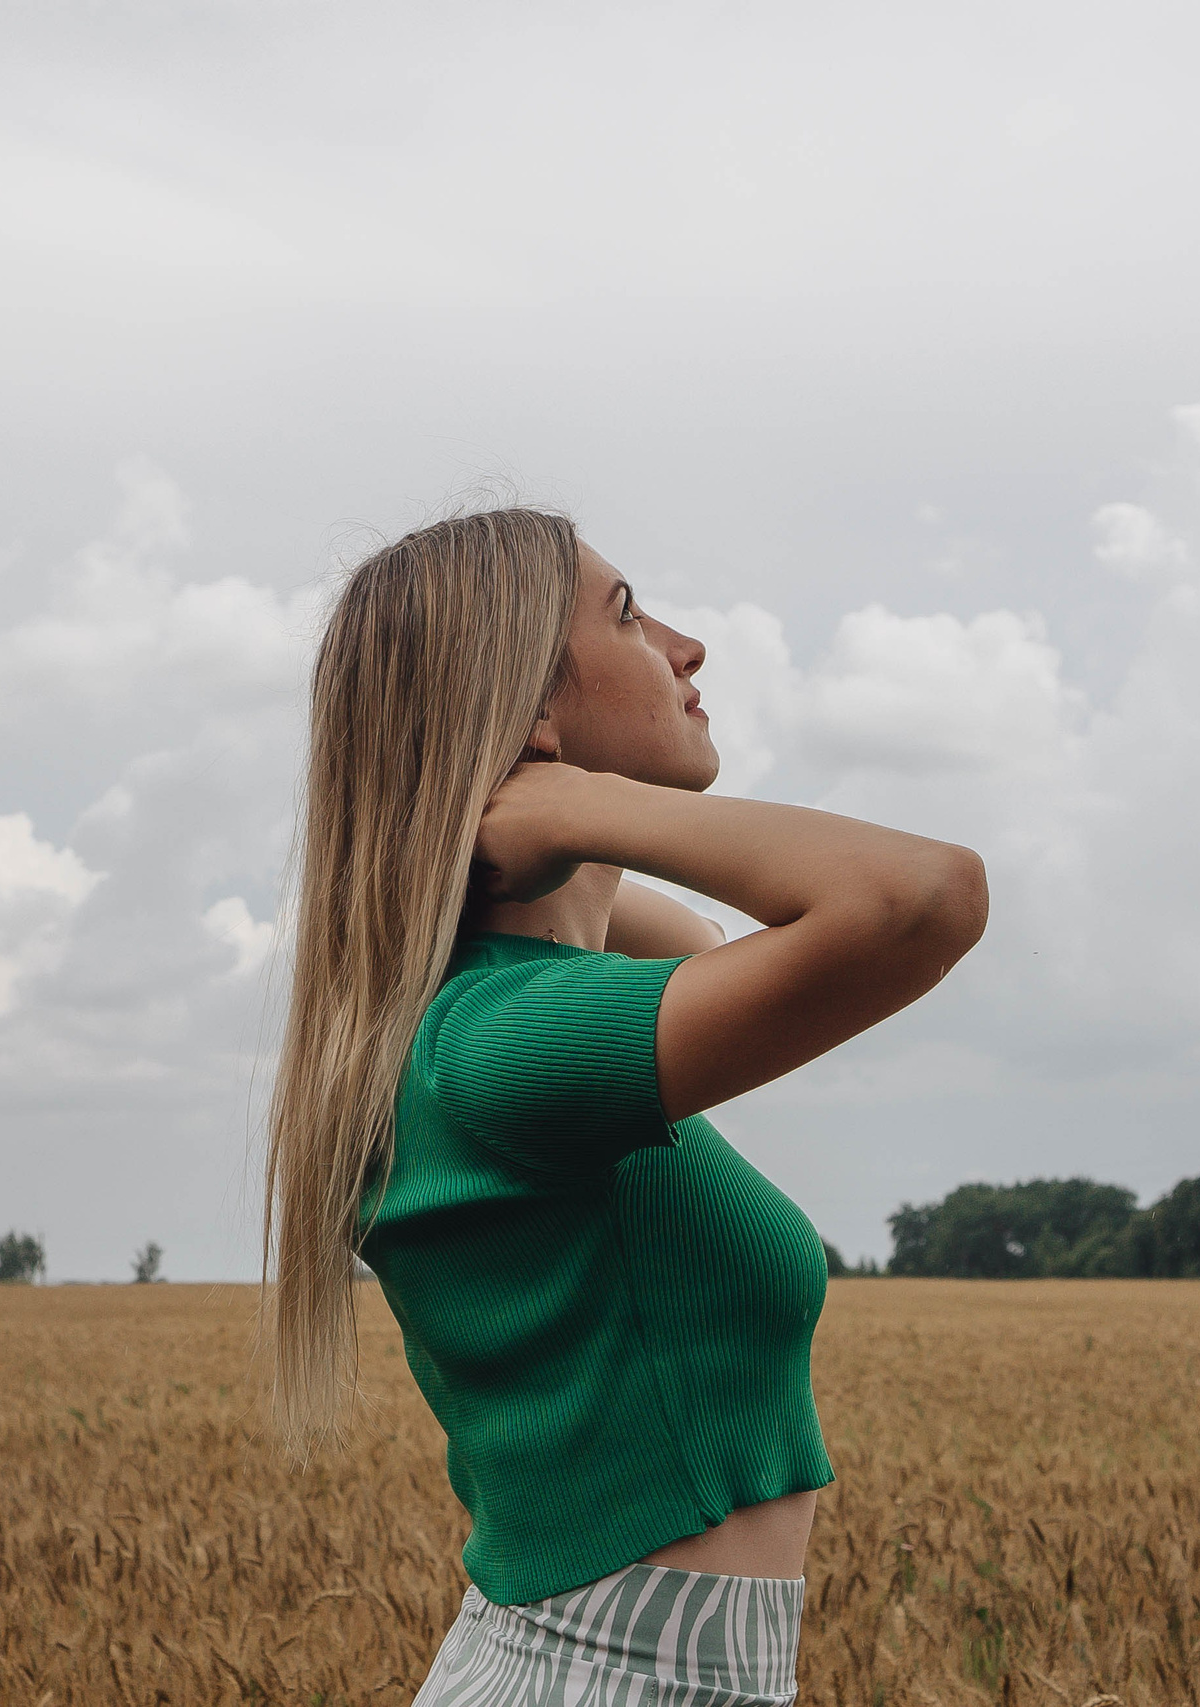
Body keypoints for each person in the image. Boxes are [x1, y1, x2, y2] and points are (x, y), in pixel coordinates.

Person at [264, 508, 988, 1704]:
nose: (688, 645)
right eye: (627, 614)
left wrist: (556, 831)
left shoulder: (479, 1020)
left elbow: (700, 945)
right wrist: (582, 808)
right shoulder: (502, 1045)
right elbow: (920, 900)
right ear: (532, 716)